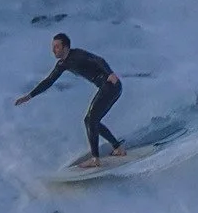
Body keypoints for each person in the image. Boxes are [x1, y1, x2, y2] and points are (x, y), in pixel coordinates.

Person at [15, 32, 130, 166]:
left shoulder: (77, 54)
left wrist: (110, 73)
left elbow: (99, 60)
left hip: (111, 85)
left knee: (90, 120)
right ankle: (117, 148)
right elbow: (49, 81)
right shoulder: (62, 64)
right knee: (92, 121)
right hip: (107, 88)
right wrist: (30, 96)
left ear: (65, 47)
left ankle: (96, 159)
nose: (53, 50)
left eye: (57, 47)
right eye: (53, 47)